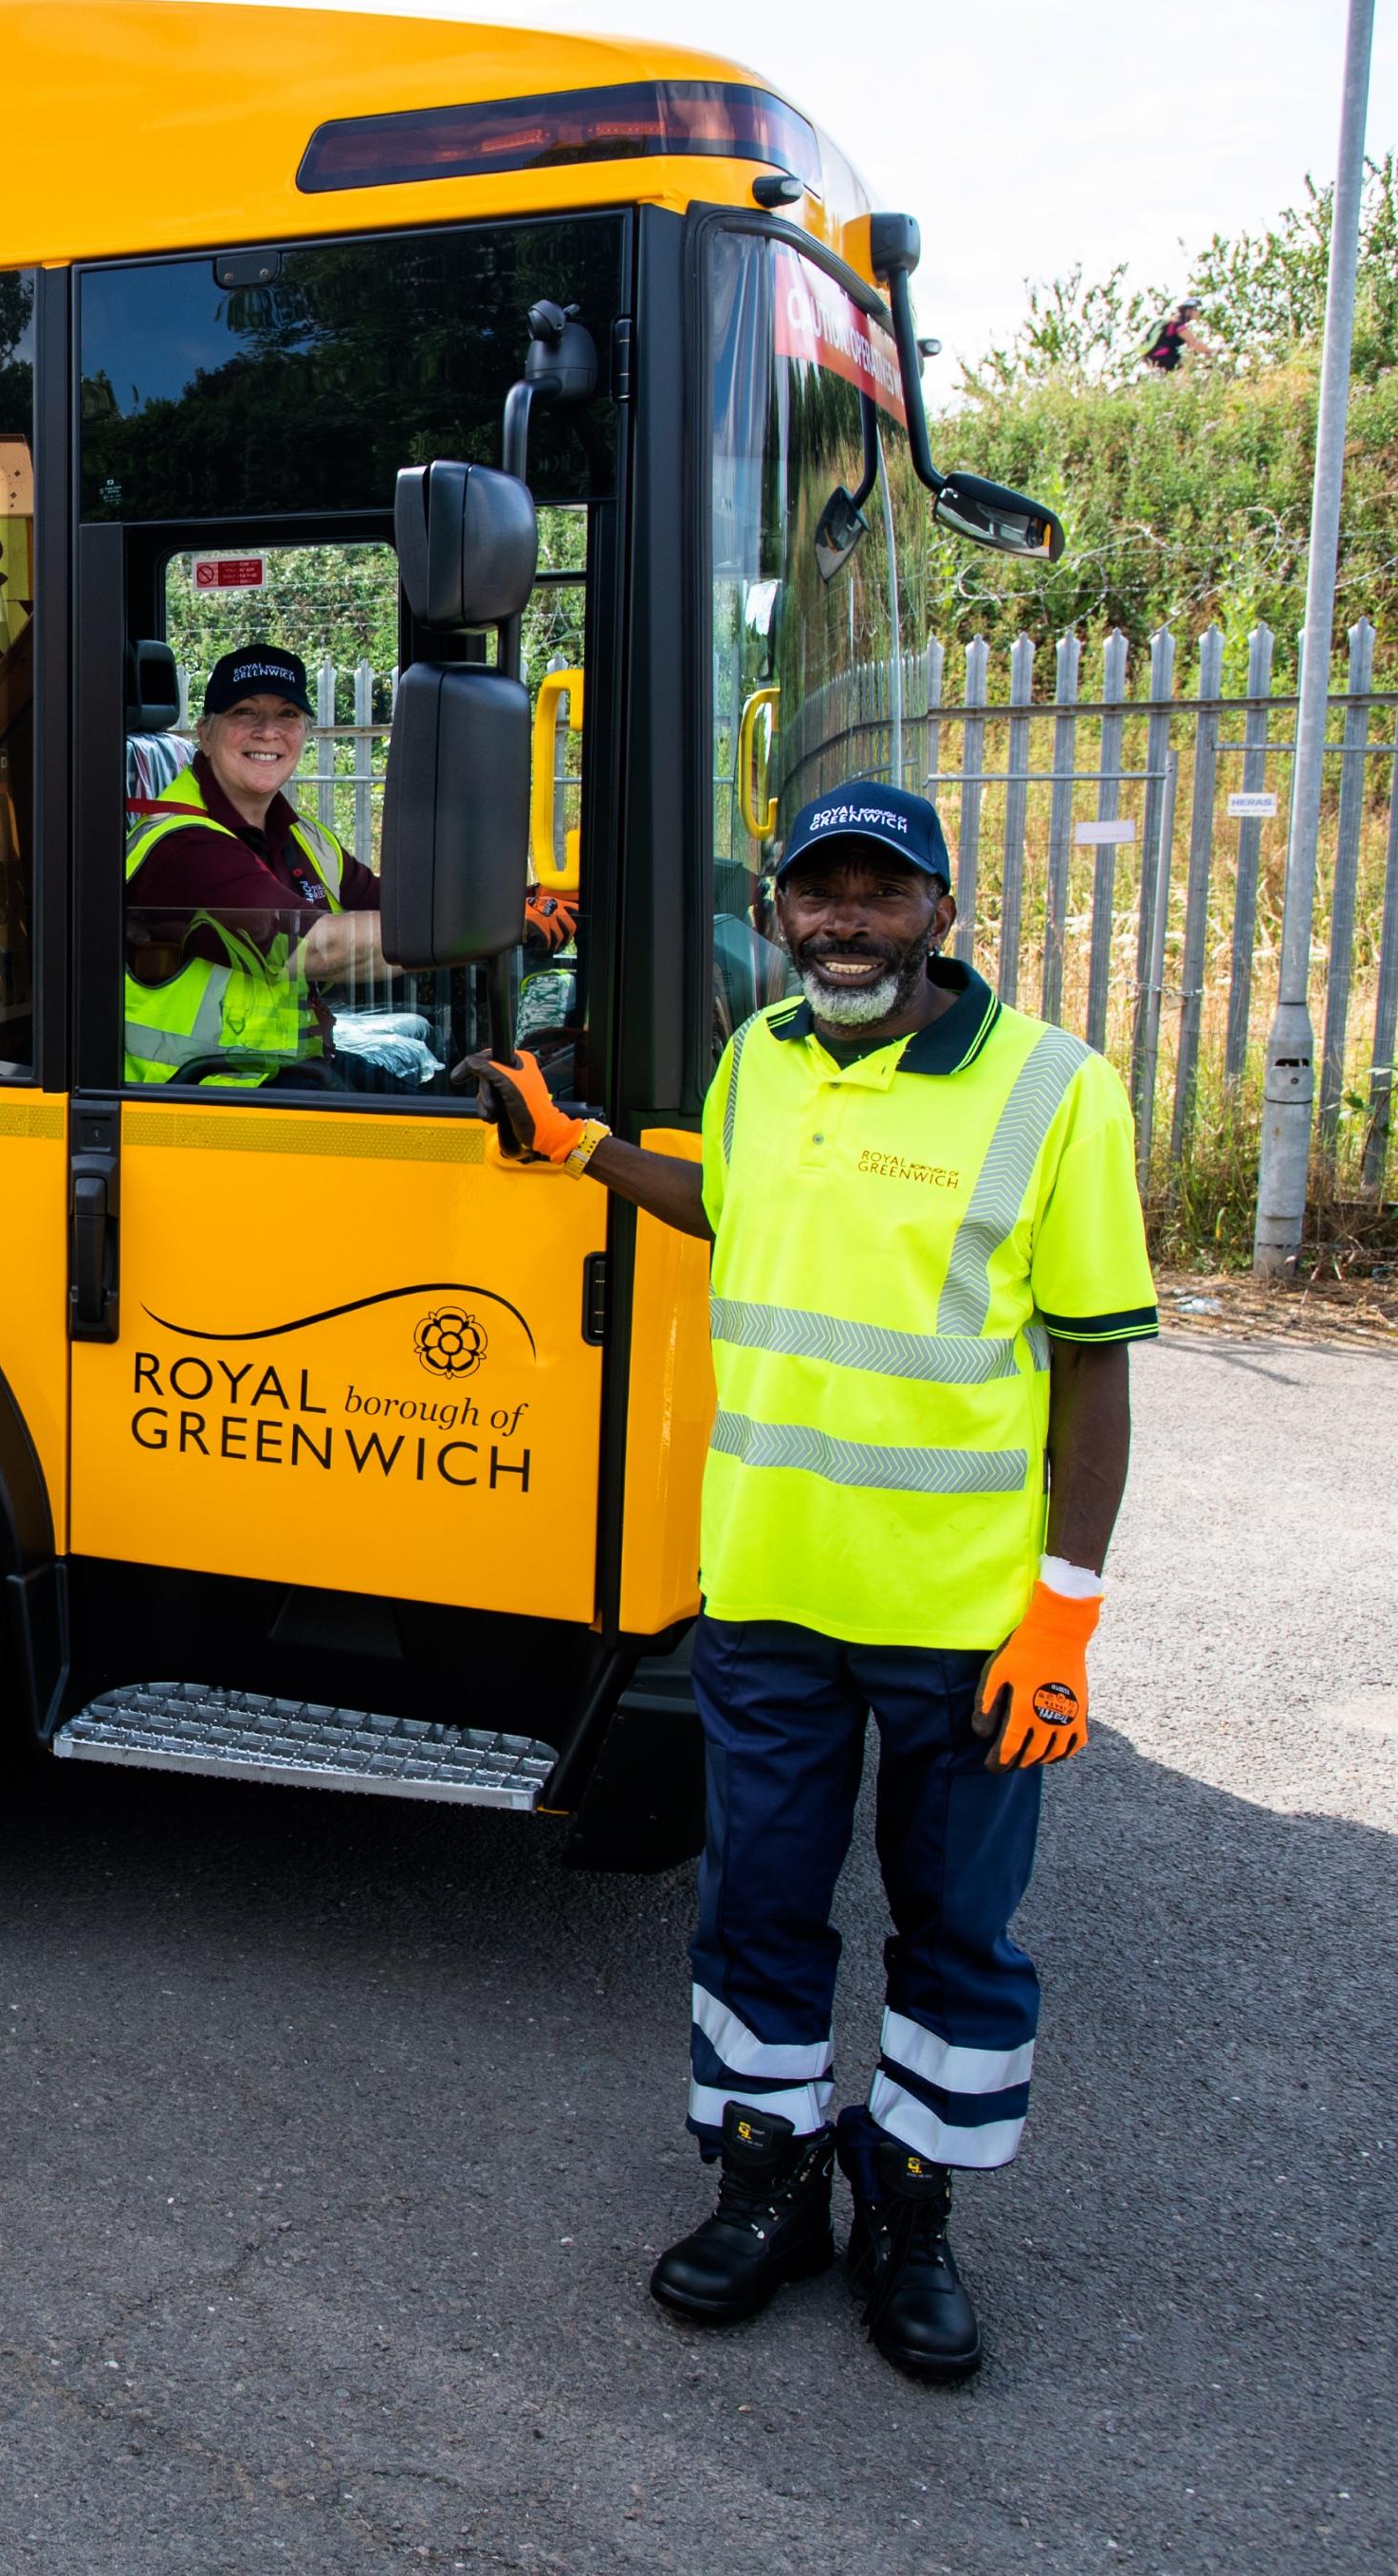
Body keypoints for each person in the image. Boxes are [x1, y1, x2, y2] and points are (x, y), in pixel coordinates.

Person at [470, 780, 1154, 2384]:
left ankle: (911, 2216)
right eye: (818, 892)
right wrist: (583, 1151)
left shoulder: (1054, 1092)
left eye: (880, 891)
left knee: (958, 1932)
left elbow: (1097, 1368)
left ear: (940, 914)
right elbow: (737, 1209)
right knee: (760, 1911)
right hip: (768, 1595)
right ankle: (766, 2189)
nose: (845, 918)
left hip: (964, 1621)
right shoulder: (761, 1062)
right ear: (779, 911)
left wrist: (1065, 1612)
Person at [120, 642, 388, 1085]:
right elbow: (320, 949)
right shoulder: (182, 848)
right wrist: (481, 926)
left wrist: (520, 903)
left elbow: (391, 906)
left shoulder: (304, 837)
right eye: (245, 712)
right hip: (198, 1109)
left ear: (304, 732)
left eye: (287, 715)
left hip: (283, 1077)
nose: (269, 732)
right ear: (205, 734)